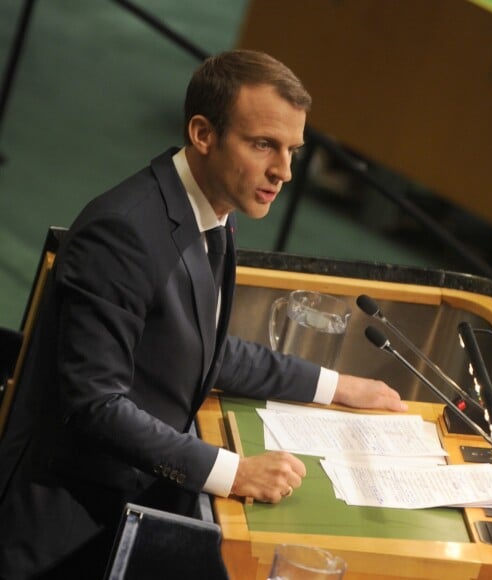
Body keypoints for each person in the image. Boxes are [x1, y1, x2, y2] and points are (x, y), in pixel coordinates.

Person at [0, 49, 407, 579]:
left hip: (136, 500)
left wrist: (337, 386)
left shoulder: (210, 212)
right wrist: (234, 473)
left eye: (292, 150)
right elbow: (95, 405)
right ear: (202, 134)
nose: (283, 171)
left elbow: (200, 346)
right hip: (66, 535)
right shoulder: (123, 233)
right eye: (264, 145)